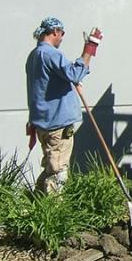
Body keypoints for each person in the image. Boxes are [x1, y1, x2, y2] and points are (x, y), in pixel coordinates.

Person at [26, 17, 103, 192]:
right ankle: (53, 213)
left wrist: (67, 83)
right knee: (58, 171)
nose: (62, 38)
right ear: (55, 31)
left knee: (51, 166)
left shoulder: (34, 56)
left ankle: (37, 202)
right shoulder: (50, 53)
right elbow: (74, 74)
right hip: (57, 124)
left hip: (43, 123)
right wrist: (90, 48)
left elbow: (50, 82)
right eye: (62, 34)